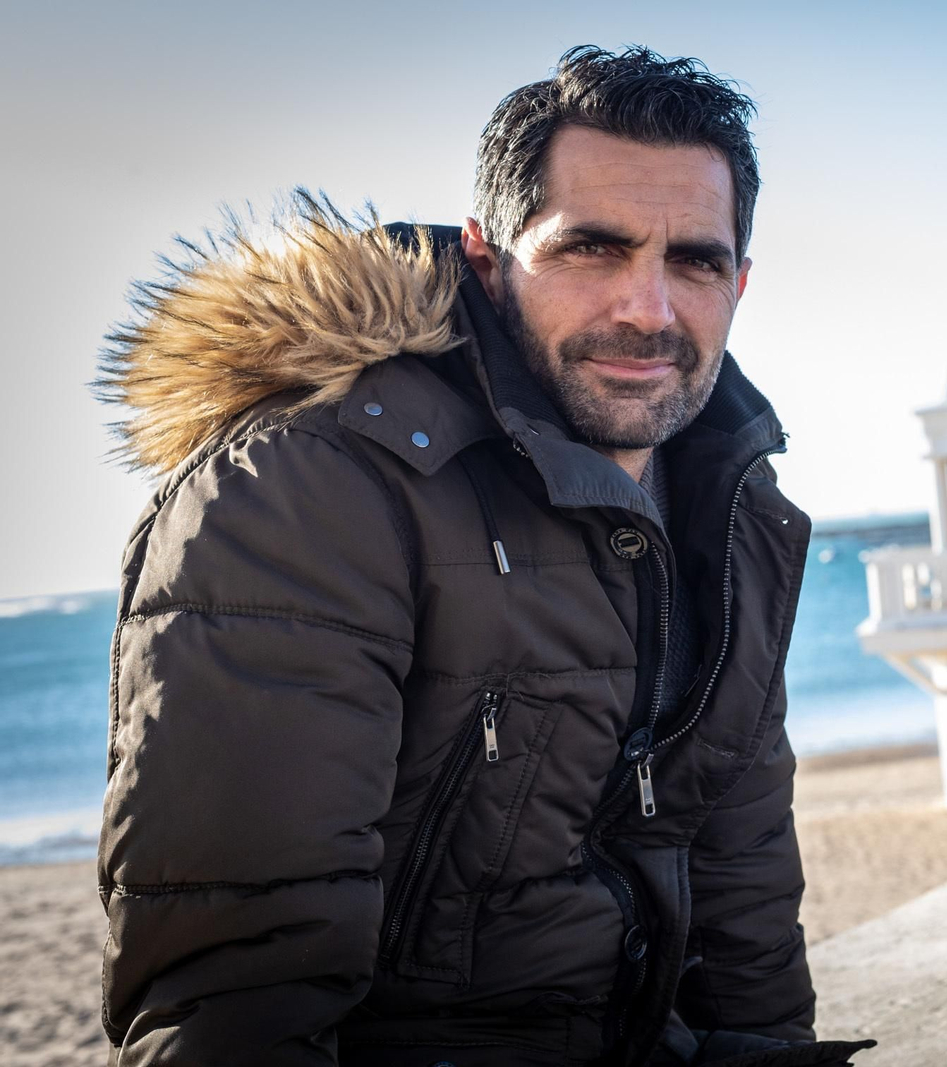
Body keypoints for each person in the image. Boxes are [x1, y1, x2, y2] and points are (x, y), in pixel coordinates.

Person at [94, 45, 874, 1067]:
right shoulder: (308, 486)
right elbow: (236, 981)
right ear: (485, 256)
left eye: (694, 258)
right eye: (591, 248)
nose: (648, 308)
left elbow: (742, 892)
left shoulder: (738, 511)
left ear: (741, 279)